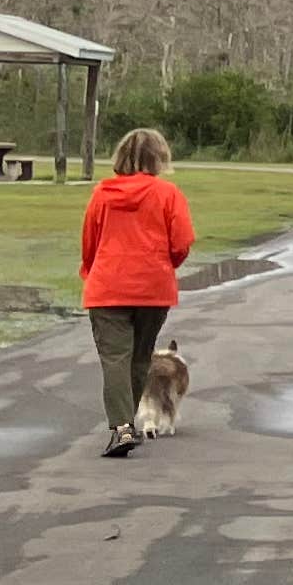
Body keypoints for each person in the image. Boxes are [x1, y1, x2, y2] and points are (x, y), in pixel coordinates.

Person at [80, 127, 194, 456]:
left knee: (116, 359)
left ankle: (121, 428)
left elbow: (89, 241)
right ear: (159, 158)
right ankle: (127, 424)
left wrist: (91, 271)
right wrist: (165, 263)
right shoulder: (168, 194)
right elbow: (182, 242)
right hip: (152, 287)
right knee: (140, 358)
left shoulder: (102, 194)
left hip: (108, 286)